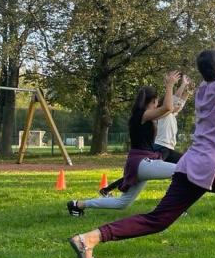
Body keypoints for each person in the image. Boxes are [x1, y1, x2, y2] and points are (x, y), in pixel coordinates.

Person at [68, 0, 215, 258]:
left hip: (192, 164)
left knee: (158, 219)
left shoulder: (205, 88)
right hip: (214, 167)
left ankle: (89, 238)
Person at [67, 72, 181, 216]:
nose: (158, 104)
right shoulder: (142, 115)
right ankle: (172, 208)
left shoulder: (142, 115)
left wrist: (178, 88)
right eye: (156, 102)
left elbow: (169, 109)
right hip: (142, 163)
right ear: (152, 101)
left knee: (122, 203)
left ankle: (78, 204)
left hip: (139, 163)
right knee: (182, 171)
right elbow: (168, 108)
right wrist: (170, 85)